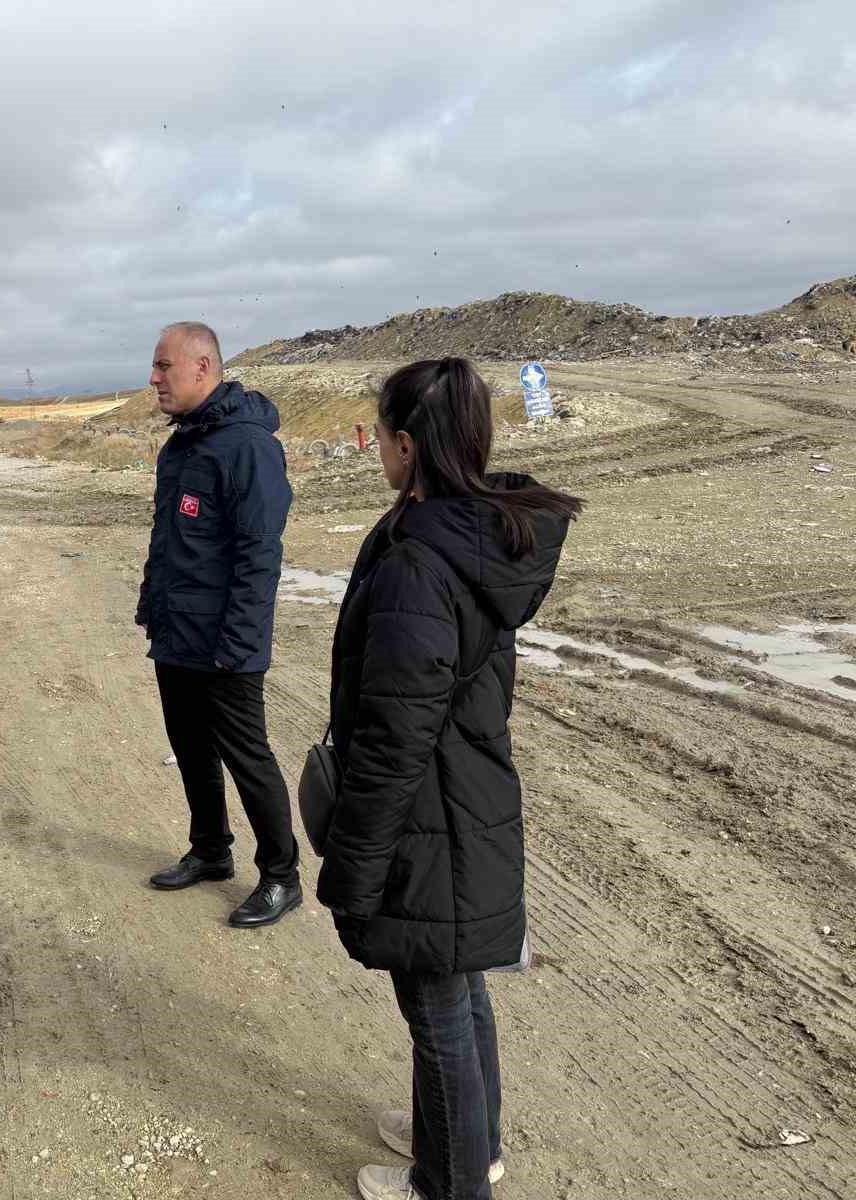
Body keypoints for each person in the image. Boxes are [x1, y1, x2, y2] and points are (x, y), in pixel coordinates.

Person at [318, 358, 582, 1200]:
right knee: (458, 989)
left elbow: (395, 735)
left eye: (381, 437)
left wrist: (354, 866)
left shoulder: (421, 564)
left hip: (430, 819)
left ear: (404, 444)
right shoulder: (472, 530)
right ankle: (470, 1138)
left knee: (435, 1006)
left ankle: (451, 1180)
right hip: (464, 804)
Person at [136, 321, 301, 928]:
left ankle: (282, 876)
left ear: (203, 367)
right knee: (189, 748)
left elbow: (260, 555)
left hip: (226, 642)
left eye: (163, 367)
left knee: (247, 756)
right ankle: (211, 852)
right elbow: (169, 539)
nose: (153, 379)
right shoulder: (181, 445)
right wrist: (152, 603)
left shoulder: (248, 447)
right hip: (178, 633)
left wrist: (240, 643)